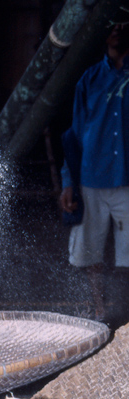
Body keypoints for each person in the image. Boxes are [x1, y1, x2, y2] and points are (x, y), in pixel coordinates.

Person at [59, 22, 129, 321]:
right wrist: (68, 181)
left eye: (122, 24)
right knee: (90, 252)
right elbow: (74, 135)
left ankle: (125, 314)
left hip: (127, 179)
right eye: (110, 24)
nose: (115, 29)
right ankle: (100, 310)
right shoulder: (90, 79)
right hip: (90, 178)